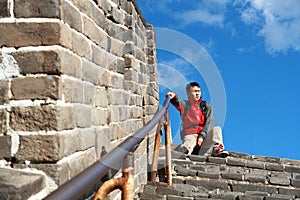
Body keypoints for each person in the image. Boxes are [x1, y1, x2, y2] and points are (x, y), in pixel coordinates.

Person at [166, 82, 229, 157]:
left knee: (217, 129)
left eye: (198, 91)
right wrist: (173, 96)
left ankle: (217, 149)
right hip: (190, 135)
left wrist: (202, 136)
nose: (197, 93)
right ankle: (184, 151)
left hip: (204, 138)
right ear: (188, 93)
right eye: (195, 91)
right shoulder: (185, 105)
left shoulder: (206, 106)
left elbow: (209, 122)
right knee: (188, 141)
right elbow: (177, 101)